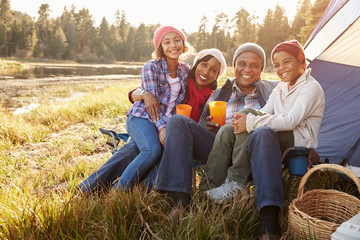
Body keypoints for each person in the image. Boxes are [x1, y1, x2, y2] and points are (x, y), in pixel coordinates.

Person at [204, 40, 325, 239]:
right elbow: (262, 112)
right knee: (230, 128)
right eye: (277, 65)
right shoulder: (281, 88)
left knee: (258, 129)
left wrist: (250, 122)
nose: (281, 68)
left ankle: (238, 182)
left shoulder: (311, 88)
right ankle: (211, 188)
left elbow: (291, 120)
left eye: (287, 62)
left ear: (301, 61)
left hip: (298, 139)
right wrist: (242, 120)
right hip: (278, 134)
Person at [149, 43, 279, 221]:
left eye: (254, 65)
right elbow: (202, 128)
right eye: (242, 64)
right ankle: (181, 202)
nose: (247, 69)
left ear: (261, 69)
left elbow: (295, 94)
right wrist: (209, 129)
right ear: (235, 66)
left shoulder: (273, 90)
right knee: (177, 121)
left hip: (252, 150)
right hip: (219, 147)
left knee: (254, 126)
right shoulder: (218, 94)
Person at [78, 47, 227, 195]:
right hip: (153, 124)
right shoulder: (182, 80)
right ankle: (88, 187)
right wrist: (144, 94)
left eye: (213, 70)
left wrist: (209, 128)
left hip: (176, 141)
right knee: (134, 148)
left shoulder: (213, 98)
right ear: (196, 65)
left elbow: (203, 132)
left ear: (217, 76)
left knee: (162, 151)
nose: (206, 72)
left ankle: (137, 189)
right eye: (204, 65)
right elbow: (136, 93)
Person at [79, 25, 190, 192]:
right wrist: (161, 128)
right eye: (166, 42)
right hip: (142, 117)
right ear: (160, 47)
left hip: (164, 122)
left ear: (183, 43)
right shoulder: (151, 67)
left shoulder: (185, 70)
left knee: (132, 149)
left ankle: (87, 188)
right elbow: (150, 105)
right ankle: (118, 191)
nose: (173, 45)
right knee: (151, 150)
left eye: (177, 40)